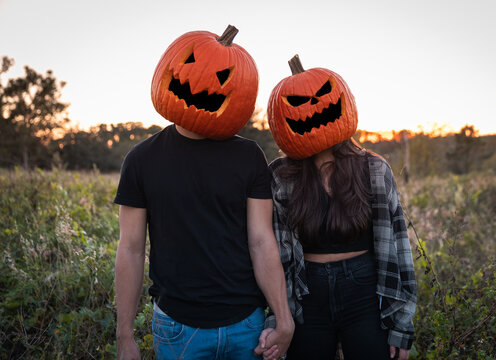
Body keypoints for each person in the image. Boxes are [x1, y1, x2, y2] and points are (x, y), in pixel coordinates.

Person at [114, 26, 294, 360]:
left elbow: (261, 240)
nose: (204, 83)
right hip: (177, 327)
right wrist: (125, 335)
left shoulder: (250, 157)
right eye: (192, 62)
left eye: (224, 76)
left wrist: (283, 319)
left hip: (247, 324)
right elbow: (131, 249)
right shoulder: (141, 160)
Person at [260, 56, 417, 360]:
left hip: (365, 293)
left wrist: (401, 325)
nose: (311, 108)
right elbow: (276, 257)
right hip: (308, 296)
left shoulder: (374, 170)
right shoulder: (280, 176)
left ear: (341, 103)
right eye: (296, 102)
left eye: (322, 97)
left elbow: (398, 250)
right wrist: (278, 318)